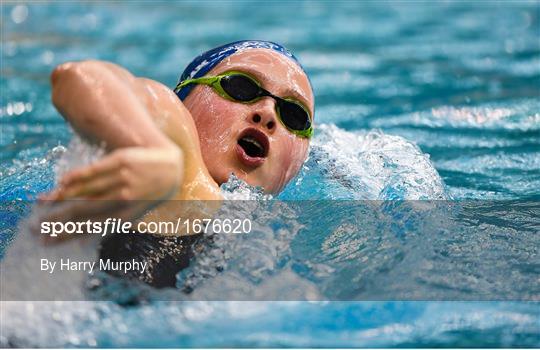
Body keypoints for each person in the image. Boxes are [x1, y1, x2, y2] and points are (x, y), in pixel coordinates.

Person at [40, 40, 315, 288]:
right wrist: (155, 152)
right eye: (241, 87)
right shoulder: (181, 165)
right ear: (184, 101)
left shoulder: (281, 248)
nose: (267, 113)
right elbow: (79, 77)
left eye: (294, 115)